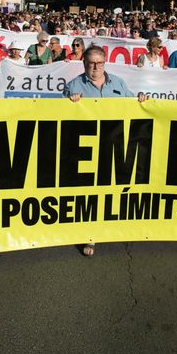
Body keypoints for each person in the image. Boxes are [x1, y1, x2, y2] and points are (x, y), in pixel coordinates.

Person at [63, 45, 146, 257]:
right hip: (87, 149)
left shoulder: (118, 83)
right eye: (91, 63)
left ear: (105, 63)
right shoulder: (73, 86)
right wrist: (69, 104)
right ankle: (90, 236)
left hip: (115, 144)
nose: (95, 67)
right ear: (84, 64)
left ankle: (111, 225)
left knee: (113, 189)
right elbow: (60, 118)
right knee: (89, 193)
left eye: (99, 63)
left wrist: (142, 100)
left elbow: (133, 103)